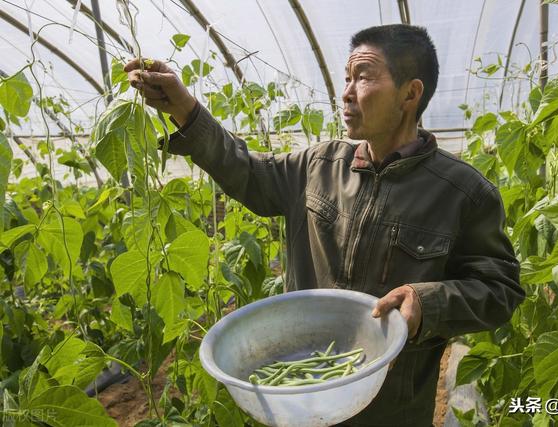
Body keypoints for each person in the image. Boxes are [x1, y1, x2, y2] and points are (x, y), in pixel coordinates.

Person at [126, 24, 525, 427]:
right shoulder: (317, 166)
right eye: (347, 78)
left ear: (411, 93)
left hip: (391, 410)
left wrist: (428, 301)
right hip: (300, 402)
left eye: (364, 77)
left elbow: (500, 290)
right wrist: (185, 109)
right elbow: (246, 170)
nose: (347, 92)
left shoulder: (463, 193)